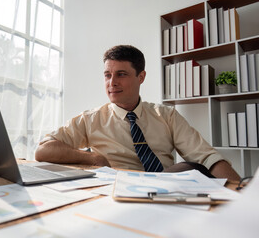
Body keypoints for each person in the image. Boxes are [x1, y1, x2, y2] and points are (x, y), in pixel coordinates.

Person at [35, 45, 240, 181]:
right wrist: (92, 158)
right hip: (116, 192)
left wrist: (242, 195)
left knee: (190, 168)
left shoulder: (167, 115)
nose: (112, 82)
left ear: (141, 77)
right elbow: (43, 150)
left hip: (165, 188)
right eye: (107, 75)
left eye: (121, 74)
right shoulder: (90, 119)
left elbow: (207, 158)